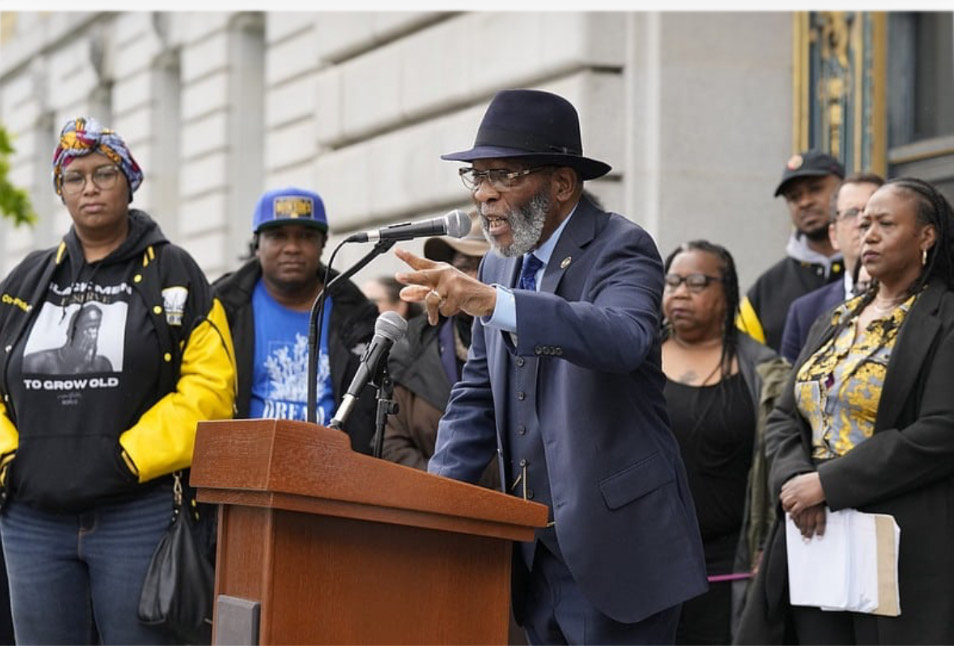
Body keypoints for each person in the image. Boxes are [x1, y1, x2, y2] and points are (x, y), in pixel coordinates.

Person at [394, 88, 707, 645]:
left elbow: (624, 337)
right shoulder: (499, 261)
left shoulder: (621, 246)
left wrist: (493, 303)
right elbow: (478, 397)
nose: (485, 196)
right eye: (477, 177)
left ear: (561, 184)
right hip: (531, 553)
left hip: (616, 550)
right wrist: (432, 508)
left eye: (504, 175)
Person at [0, 116, 236, 645]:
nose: (89, 187)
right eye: (74, 176)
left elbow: (210, 391)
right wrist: (9, 461)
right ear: (60, 191)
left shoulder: (175, 272)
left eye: (104, 173)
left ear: (129, 180)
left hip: (137, 514)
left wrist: (127, 459)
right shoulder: (25, 280)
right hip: (32, 521)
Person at [737, 177, 954, 645]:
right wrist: (798, 482)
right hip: (816, 538)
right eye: (862, 221)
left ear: (926, 236)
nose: (867, 234)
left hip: (902, 544)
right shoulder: (835, 319)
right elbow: (785, 416)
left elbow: (941, 431)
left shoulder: (945, 318)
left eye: (885, 224)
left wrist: (830, 484)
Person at [660, 240, 790, 645]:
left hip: (729, 560)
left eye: (697, 282)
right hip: (646, 553)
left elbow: (780, 462)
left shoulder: (766, 372)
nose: (680, 292)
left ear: (728, 291)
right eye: (673, 282)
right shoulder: (635, 358)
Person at [213, 187, 379, 453]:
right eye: (278, 236)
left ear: (322, 244)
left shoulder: (357, 316)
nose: (292, 248)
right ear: (257, 244)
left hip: (332, 475)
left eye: (305, 237)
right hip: (242, 470)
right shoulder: (221, 309)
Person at [382, 218, 497, 484]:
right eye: (462, 268)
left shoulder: (524, 339)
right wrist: (443, 489)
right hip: (434, 509)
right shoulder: (413, 344)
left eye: (484, 267)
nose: (468, 279)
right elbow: (391, 443)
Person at [738, 149, 845, 352]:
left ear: (843, 189)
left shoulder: (873, 273)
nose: (804, 202)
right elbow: (744, 363)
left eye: (815, 189)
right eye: (794, 197)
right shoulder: (765, 290)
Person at [780, 172, 884, 363]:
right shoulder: (804, 313)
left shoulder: (921, 302)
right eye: (851, 213)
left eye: (872, 211)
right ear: (834, 235)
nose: (863, 221)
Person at [22, 303, 114, 374]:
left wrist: (86, 365)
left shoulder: (102, 364)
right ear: (70, 332)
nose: (93, 334)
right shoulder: (37, 362)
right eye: (88, 327)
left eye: (96, 328)